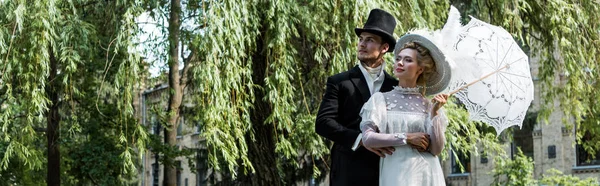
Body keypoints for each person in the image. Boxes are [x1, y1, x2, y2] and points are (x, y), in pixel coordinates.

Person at [315, 9, 429, 186]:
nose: (362, 44)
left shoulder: (396, 86)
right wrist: (361, 140)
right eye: (361, 39)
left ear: (384, 48)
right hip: (349, 170)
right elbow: (323, 123)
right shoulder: (340, 82)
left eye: (369, 40)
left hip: (389, 169)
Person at [358, 32, 453, 186]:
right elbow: (367, 138)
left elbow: (436, 149)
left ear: (420, 69)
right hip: (397, 173)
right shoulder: (380, 100)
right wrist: (406, 138)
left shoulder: (429, 105)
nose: (400, 63)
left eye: (408, 60)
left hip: (428, 175)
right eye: (398, 59)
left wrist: (434, 112)